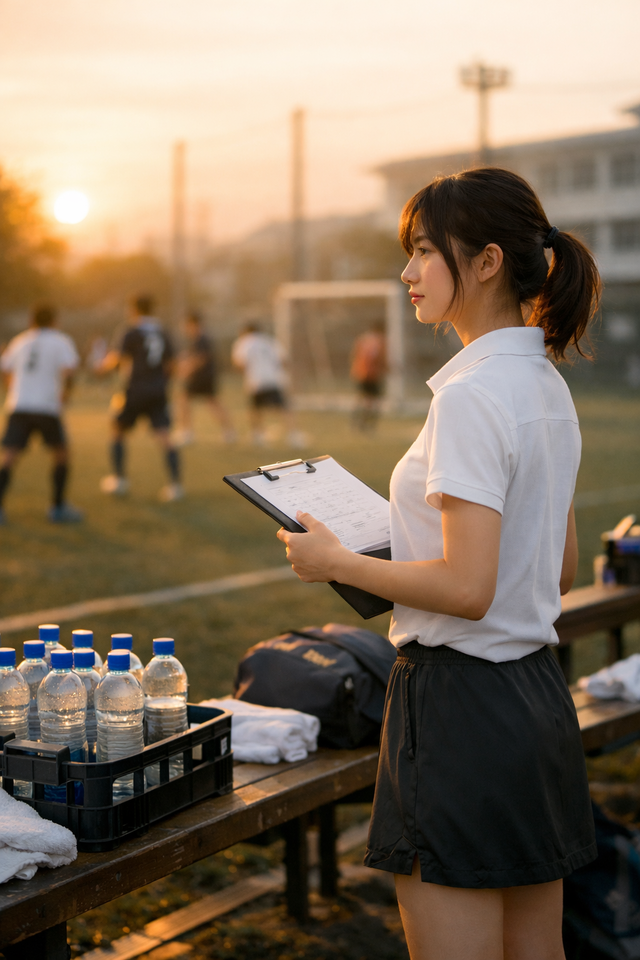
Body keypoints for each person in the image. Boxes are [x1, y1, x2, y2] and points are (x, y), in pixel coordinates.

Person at [276, 168, 601, 960]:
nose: (407, 271)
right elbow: (556, 570)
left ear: (486, 262)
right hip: (536, 698)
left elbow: (466, 586)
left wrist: (337, 561)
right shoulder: (546, 384)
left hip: (461, 709)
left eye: (425, 250)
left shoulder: (470, 396)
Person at [0, 303, 82, 523]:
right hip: (46, 406)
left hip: (20, 404)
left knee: (9, 456)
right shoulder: (60, 340)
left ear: (31, 321)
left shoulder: (20, 340)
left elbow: (5, 367)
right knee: (61, 454)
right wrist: (66, 393)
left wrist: (11, 388)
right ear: (55, 321)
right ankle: (58, 507)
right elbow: (70, 370)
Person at [99, 294, 183, 502]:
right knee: (165, 436)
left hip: (135, 389)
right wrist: (162, 382)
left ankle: (119, 479)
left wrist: (101, 368)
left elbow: (117, 358)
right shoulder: (163, 330)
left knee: (117, 430)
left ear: (133, 309)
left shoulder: (131, 330)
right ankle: (175, 485)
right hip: (158, 390)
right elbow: (172, 364)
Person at [231, 321, 304, 447]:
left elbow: (239, 363)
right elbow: (283, 360)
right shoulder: (269, 340)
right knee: (284, 408)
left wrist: (247, 372)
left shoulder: (244, 342)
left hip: (256, 381)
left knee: (255, 409)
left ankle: (257, 435)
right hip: (274, 379)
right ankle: (293, 435)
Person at [174, 311, 235, 445]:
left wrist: (187, 370)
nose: (184, 328)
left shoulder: (202, 338)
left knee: (184, 401)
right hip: (205, 376)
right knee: (210, 403)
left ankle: (186, 433)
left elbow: (201, 359)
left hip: (201, 377)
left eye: (186, 325)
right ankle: (229, 431)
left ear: (193, 324)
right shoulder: (198, 339)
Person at [350, 320, 387, 431]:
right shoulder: (379, 341)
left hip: (360, 373)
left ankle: (356, 420)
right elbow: (375, 357)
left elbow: (355, 355)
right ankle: (366, 423)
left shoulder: (363, 339)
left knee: (362, 398)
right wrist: (387, 367)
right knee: (372, 401)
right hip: (372, 375)